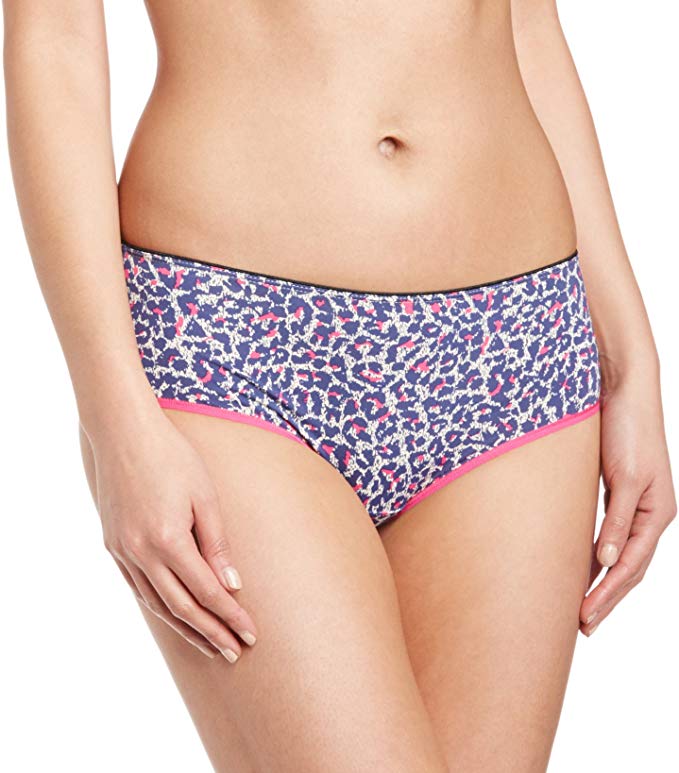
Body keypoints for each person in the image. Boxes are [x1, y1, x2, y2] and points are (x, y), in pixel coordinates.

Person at [3, 1, 675, 771]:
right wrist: (112, 413)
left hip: (516, 350)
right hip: (233, 346)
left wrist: (631, 361)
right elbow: (53, 34)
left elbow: (525, 24)